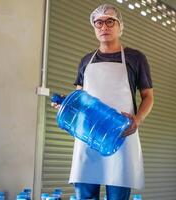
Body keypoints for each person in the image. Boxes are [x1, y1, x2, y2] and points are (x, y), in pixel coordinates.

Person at [52, 4, 154, 200]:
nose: (104, 27)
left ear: (119, 26)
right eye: (98, 23)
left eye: (109, 21)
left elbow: (148, 96)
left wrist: (138, 120)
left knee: (117, 195)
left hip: (120, 133)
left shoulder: (135, 58)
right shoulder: (85, 61)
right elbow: (79, 98)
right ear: (94, 27)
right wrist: (66, 105)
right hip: (87, 135)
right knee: (85, 195)